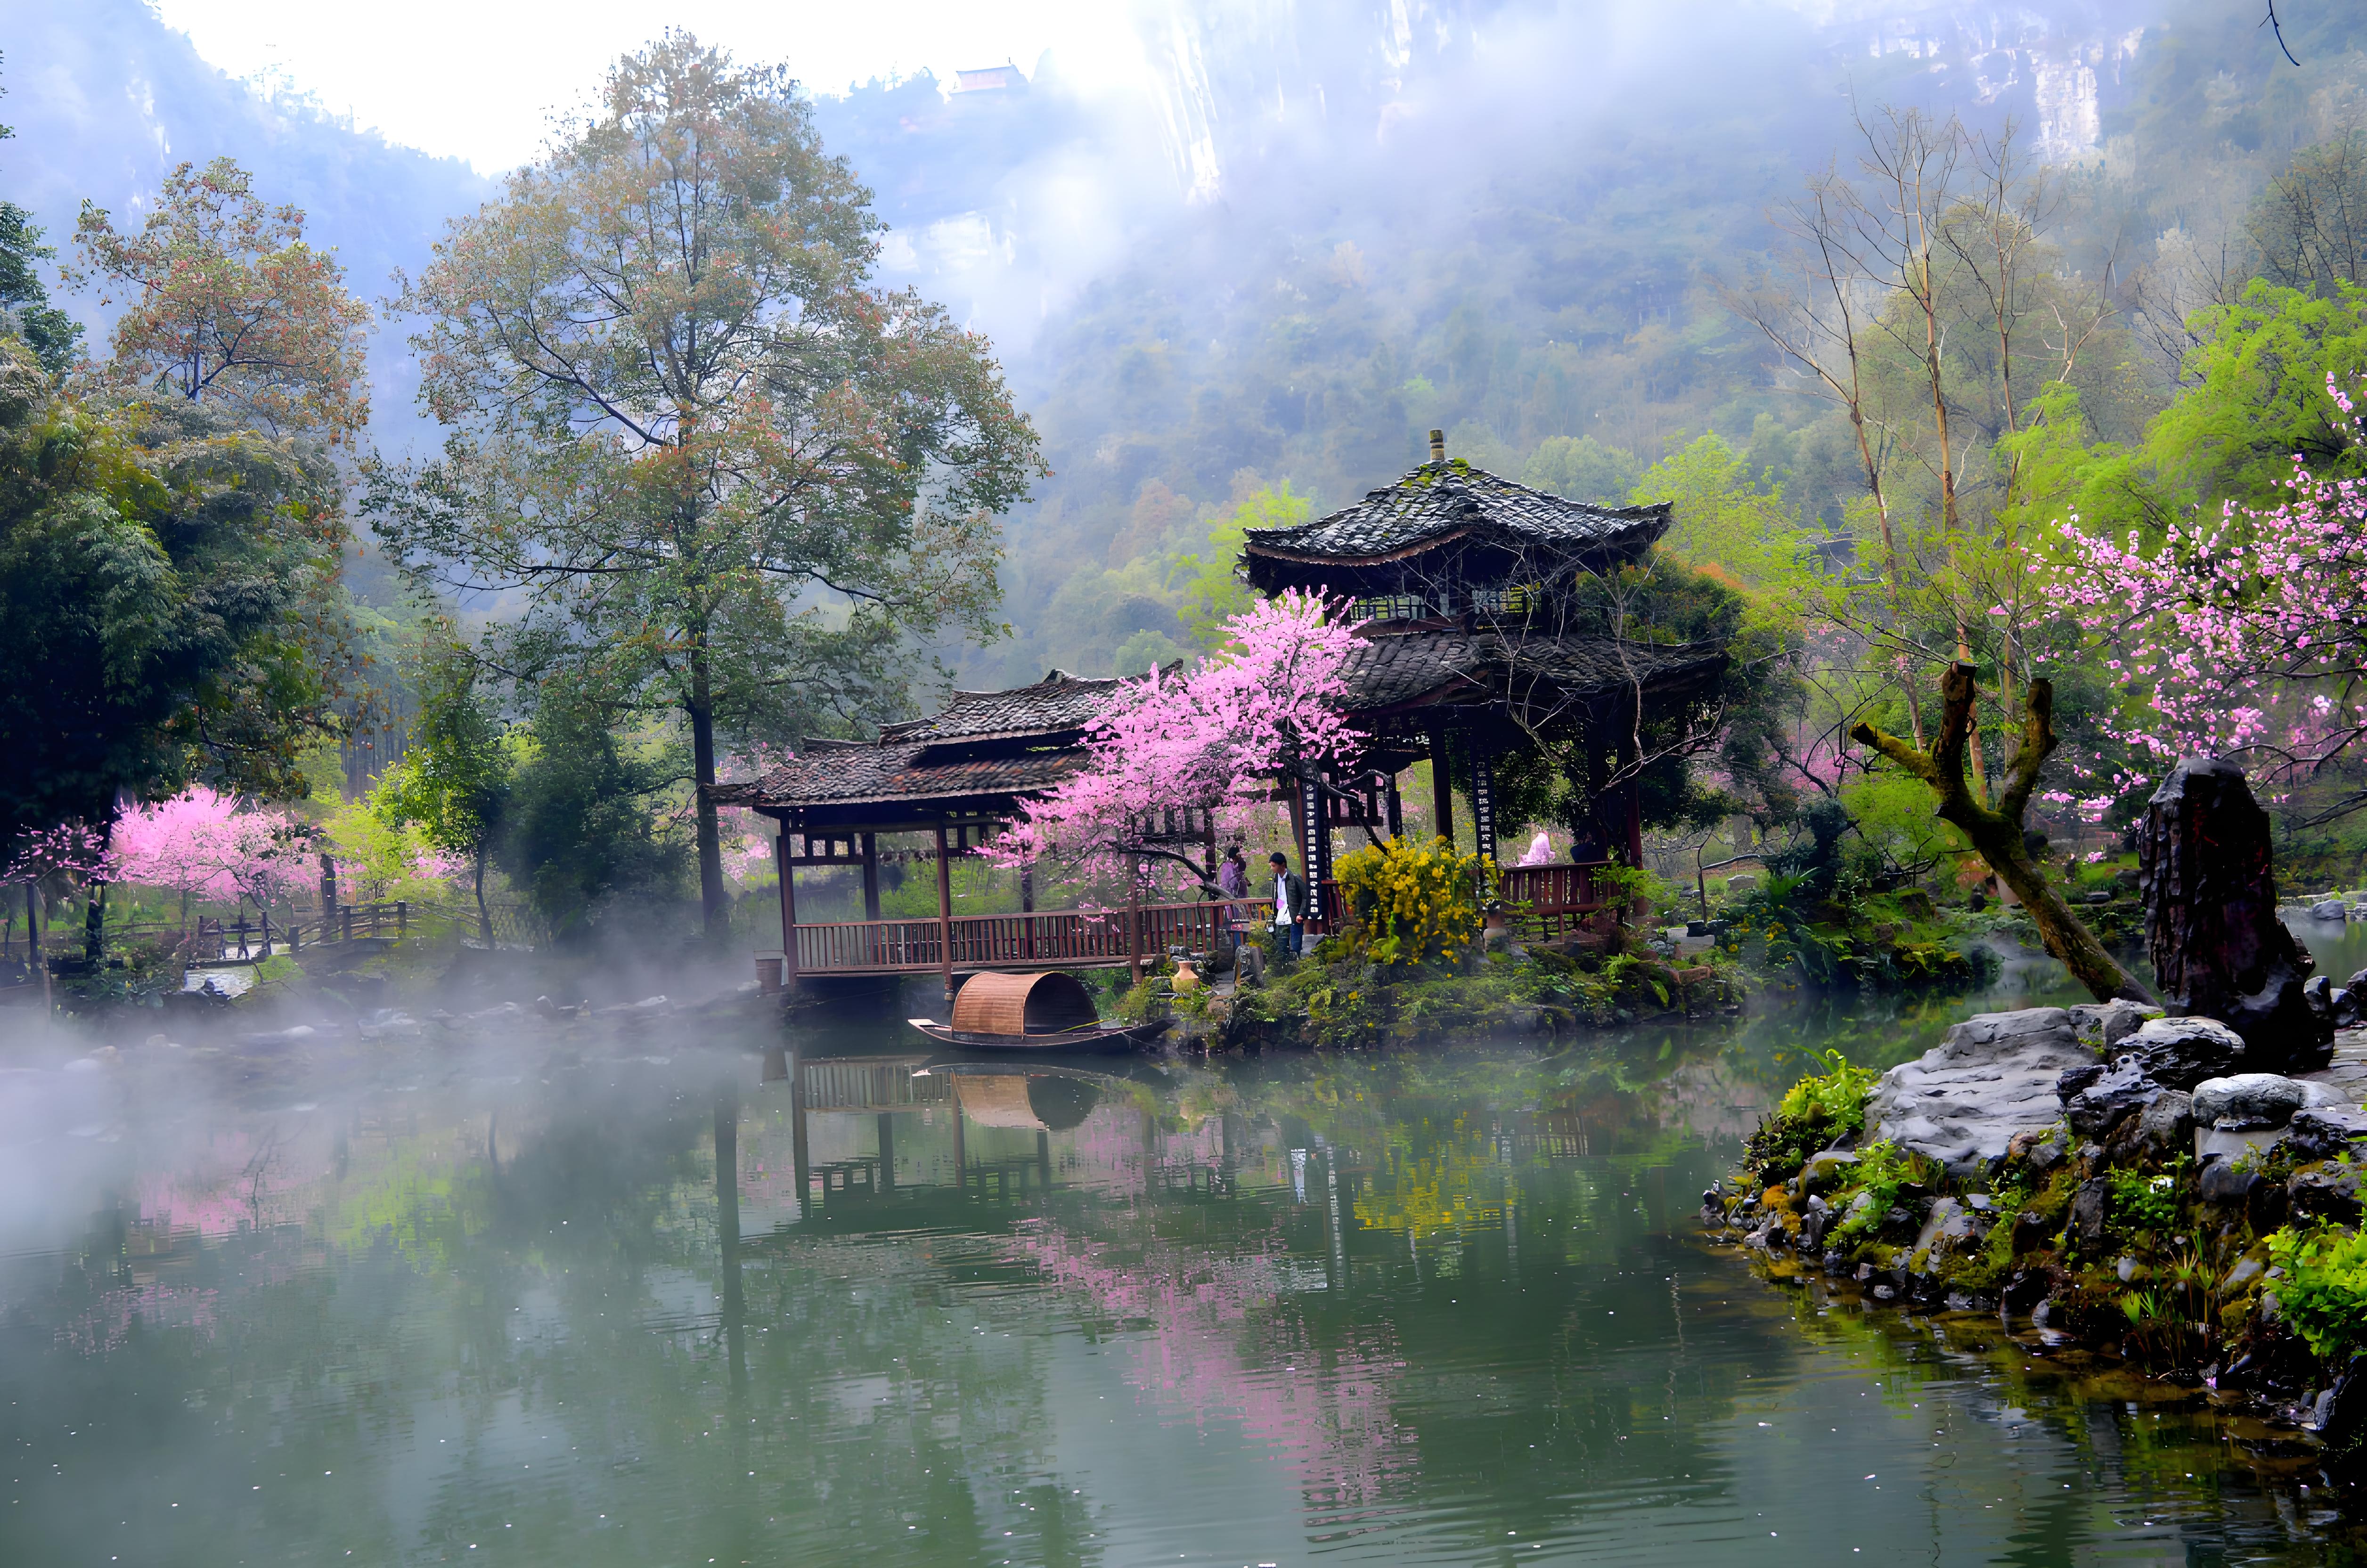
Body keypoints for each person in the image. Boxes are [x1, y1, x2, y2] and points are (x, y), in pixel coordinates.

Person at [1269, 849, 1307, 956]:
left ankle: (1296, 965)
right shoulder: (1276, 879)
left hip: (1294, 915)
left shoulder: (1295, 878)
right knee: (1281, 947)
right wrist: (1276, 912)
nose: (1272, 868)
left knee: (1295, 947)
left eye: (1274, 866)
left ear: (1282, 865)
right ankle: (1283, 968)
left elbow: (1306, 896)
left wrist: (1301, 913)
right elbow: (1279, 898)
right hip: (1281, 916)